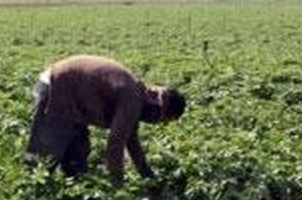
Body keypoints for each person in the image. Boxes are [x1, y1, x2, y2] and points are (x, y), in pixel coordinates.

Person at [24, 55, 186, 183]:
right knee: (43, 160)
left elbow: (132, 142)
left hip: (74, 103)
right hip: (57, 90)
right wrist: (117, 186)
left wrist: (149, 177)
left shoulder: (137, 98)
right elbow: (115, 145)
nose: (159, 124)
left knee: (77, 160)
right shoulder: (132, 99)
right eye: (163, 120)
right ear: (161, 109)